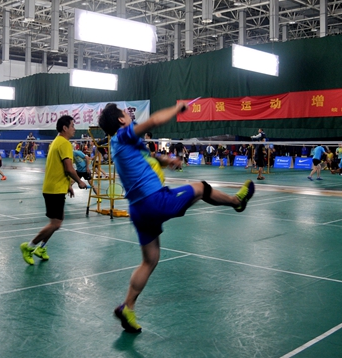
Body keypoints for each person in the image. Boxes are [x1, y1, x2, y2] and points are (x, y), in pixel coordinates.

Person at [96, 102, 254, 333]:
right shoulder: (124, 134)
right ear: (121, 120)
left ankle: (127, 307)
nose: (128, 115)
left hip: (138, 210)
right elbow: (154, 121)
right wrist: (176, 109)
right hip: (154, 201)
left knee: (150, 260)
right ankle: (236, 202)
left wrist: (167, 161)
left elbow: (147, 155)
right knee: (201, 187)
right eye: (124, 113)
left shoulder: (117, 144)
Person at [20, 116, 87, 265]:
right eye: (72, 125)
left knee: (57, 222)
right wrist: (79, 181)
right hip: (54, 190)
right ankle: (29, 246)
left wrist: (68, 185)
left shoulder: (56, 141)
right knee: (55, 224)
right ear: (65, 128)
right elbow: (69, 168)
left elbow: (57, 167)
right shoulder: (64, 143)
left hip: (55, 187)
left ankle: (41, 248)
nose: (74, 129)